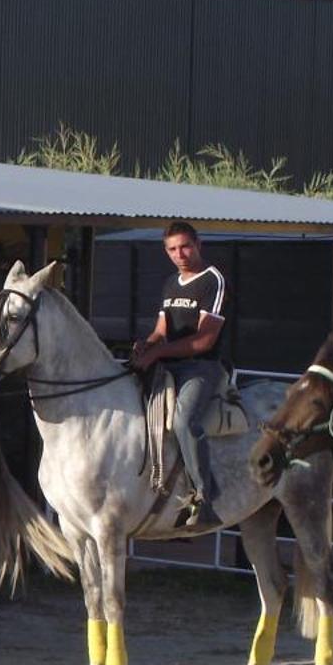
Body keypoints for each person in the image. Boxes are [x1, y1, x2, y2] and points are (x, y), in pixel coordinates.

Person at [131, 221, 227, 526]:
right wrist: (147, 345)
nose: (180, 254)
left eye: (185, 246)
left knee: (184, 420)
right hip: (169, 363)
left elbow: (204, 340)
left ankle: (203, 499)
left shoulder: (213, 280)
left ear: (198, 244)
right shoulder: (170, 283)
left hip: (202, 366)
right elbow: (162, 329)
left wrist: (158, 352)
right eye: (172, 249)